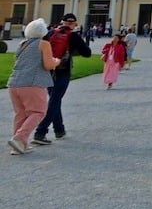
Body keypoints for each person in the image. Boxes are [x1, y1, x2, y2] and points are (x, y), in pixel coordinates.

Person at [33, 13, 92, 145]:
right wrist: (74, 50)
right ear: (74, 24)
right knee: (55, 101)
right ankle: (40, 132)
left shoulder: (50, 33)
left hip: (48, 70)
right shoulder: (74, 36)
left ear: (62, 22)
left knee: (55, 100)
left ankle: (59, 129)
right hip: (62, 71)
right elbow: (87, 53)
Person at [8, 18, 63, 155]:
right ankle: (19, 138)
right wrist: (57, 61)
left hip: (14, 83)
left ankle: (19, 146)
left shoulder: (22, 44)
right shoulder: (43, 44)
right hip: (32, 83)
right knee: (38, 112)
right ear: (43, 31)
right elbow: (48, 65)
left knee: (21, 114)